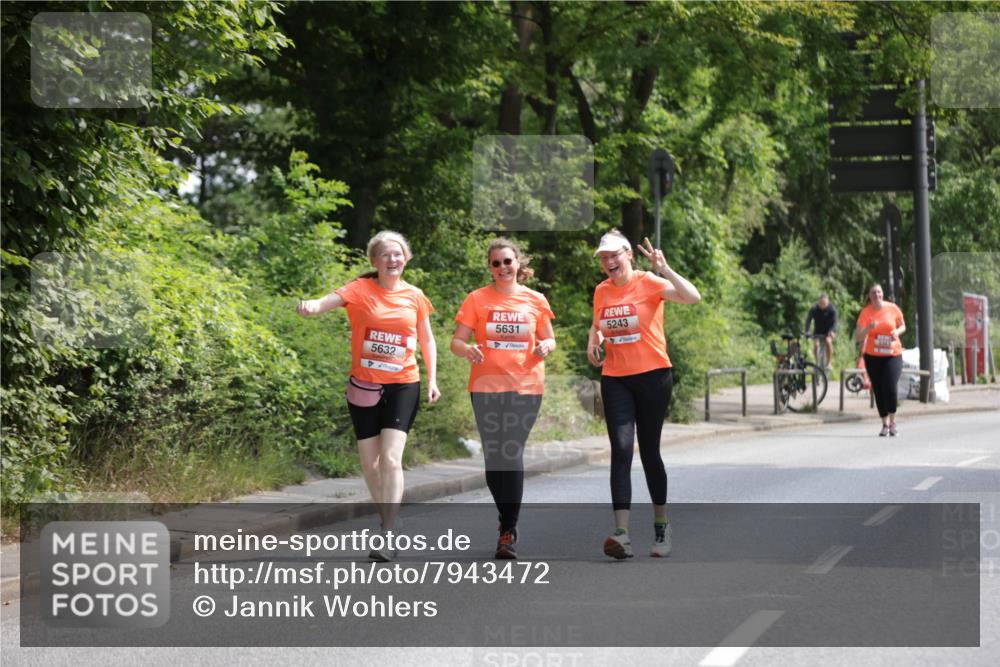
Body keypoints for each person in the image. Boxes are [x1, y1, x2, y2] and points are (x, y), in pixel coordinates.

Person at [297, 230, 440, 561]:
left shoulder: (415, 296)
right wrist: (310, 307)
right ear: (374, 261)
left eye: (398, 254)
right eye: (386, 255)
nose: (393, 259)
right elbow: (324, 302)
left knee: (391, 459)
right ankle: (389, 518)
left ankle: (388, 534)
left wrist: (432, 379)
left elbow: (427, 340)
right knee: (370, 464)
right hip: (364, 385)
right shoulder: (359, 289)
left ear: (406, 258)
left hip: (404, 383)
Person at [587, 231, 700, 559]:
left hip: (653, 377)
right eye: (603, 258)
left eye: (614, 256)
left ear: (628, 255)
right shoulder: (601, 291)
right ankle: (621, 533)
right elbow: (596, 326)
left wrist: (665, 269)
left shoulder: (648, 282)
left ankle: (661, 525)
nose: (608, 262)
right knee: (621, 449)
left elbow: (693, 297)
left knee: (650, 452)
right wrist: (592, 344)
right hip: (615, 379)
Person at [451, 238, 556, 559]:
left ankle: (507, 530)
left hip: (525, 386)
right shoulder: (477, 299)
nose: (502, 268)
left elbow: (550, 338)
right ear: (490, 268)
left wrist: (546, 346)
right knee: (493, 458)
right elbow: (457, 341)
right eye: (496, 263)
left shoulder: (535, 300)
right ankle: (505, 517)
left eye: (507, 261)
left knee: (510, 452)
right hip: (484, 387)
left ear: (517, 263)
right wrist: (468, 349)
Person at [854, 283, 905, 436]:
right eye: (873, 293)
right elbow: (858, 336)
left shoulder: (892, 308)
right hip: (873, 356)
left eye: (879, 292)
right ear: (869, 296)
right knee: (878, 389)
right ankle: (884, 424)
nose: (877, 295)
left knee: (890, 386)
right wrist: (868, 328)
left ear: (883, 293)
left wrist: (896, 331)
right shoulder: (865, 312)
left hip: (892, 354)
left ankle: (893, 421)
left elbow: (903, 325)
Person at [805, 293, 838, 370]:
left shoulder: (832, 310)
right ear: (818, 302)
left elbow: (835, 322)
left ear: (828, 302)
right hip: (818, 331)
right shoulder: (814, 309)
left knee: (828, 341)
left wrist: (832, 331)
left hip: (829, 331)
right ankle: (817, 362)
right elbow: (808, 320)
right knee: (816, 345)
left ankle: (829, 363)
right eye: (821, 304)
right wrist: (807, 331)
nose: (822, 306)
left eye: (824, 304)